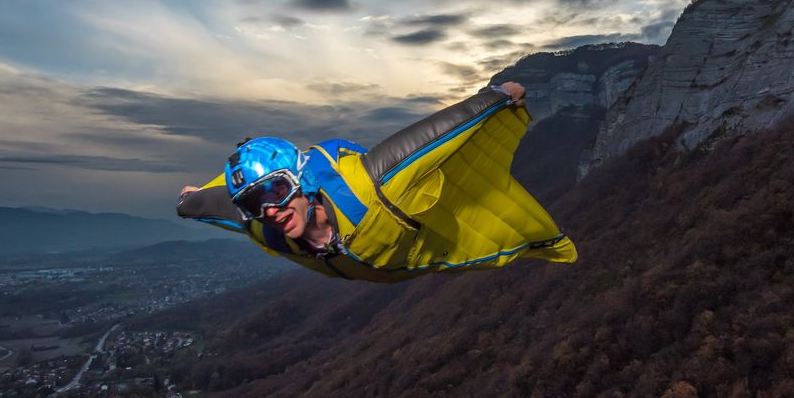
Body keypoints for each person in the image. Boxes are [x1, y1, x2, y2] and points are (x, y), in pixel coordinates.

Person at [176, 82, 576, 283]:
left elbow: (437, 134)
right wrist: (190, 203)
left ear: (304, 180)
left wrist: (500, 95)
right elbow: (214, 206)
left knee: (504, 235)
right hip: (387, 266)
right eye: (254, 204)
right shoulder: (264, 229)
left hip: (432, 245)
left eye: (277, 191)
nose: (271, 211)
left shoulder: (372, 185)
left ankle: (548, 245)